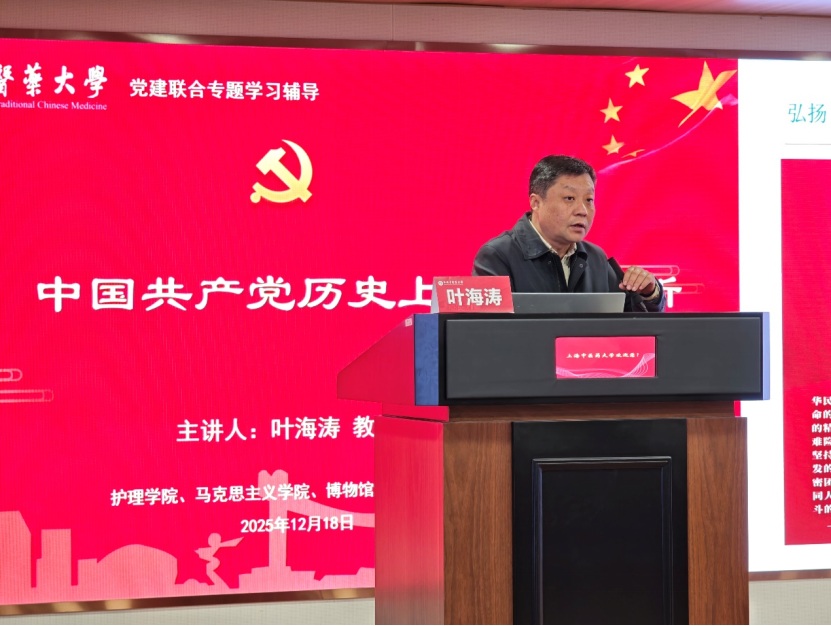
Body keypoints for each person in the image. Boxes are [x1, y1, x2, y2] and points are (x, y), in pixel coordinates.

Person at [473, 154, 665, 312]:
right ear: (536, 203)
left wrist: (650, 293)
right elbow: (491, 334)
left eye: (589, 200)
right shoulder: (498, 256)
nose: (582, 210)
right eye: (569, 198)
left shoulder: (595, 257)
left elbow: (635, 327)